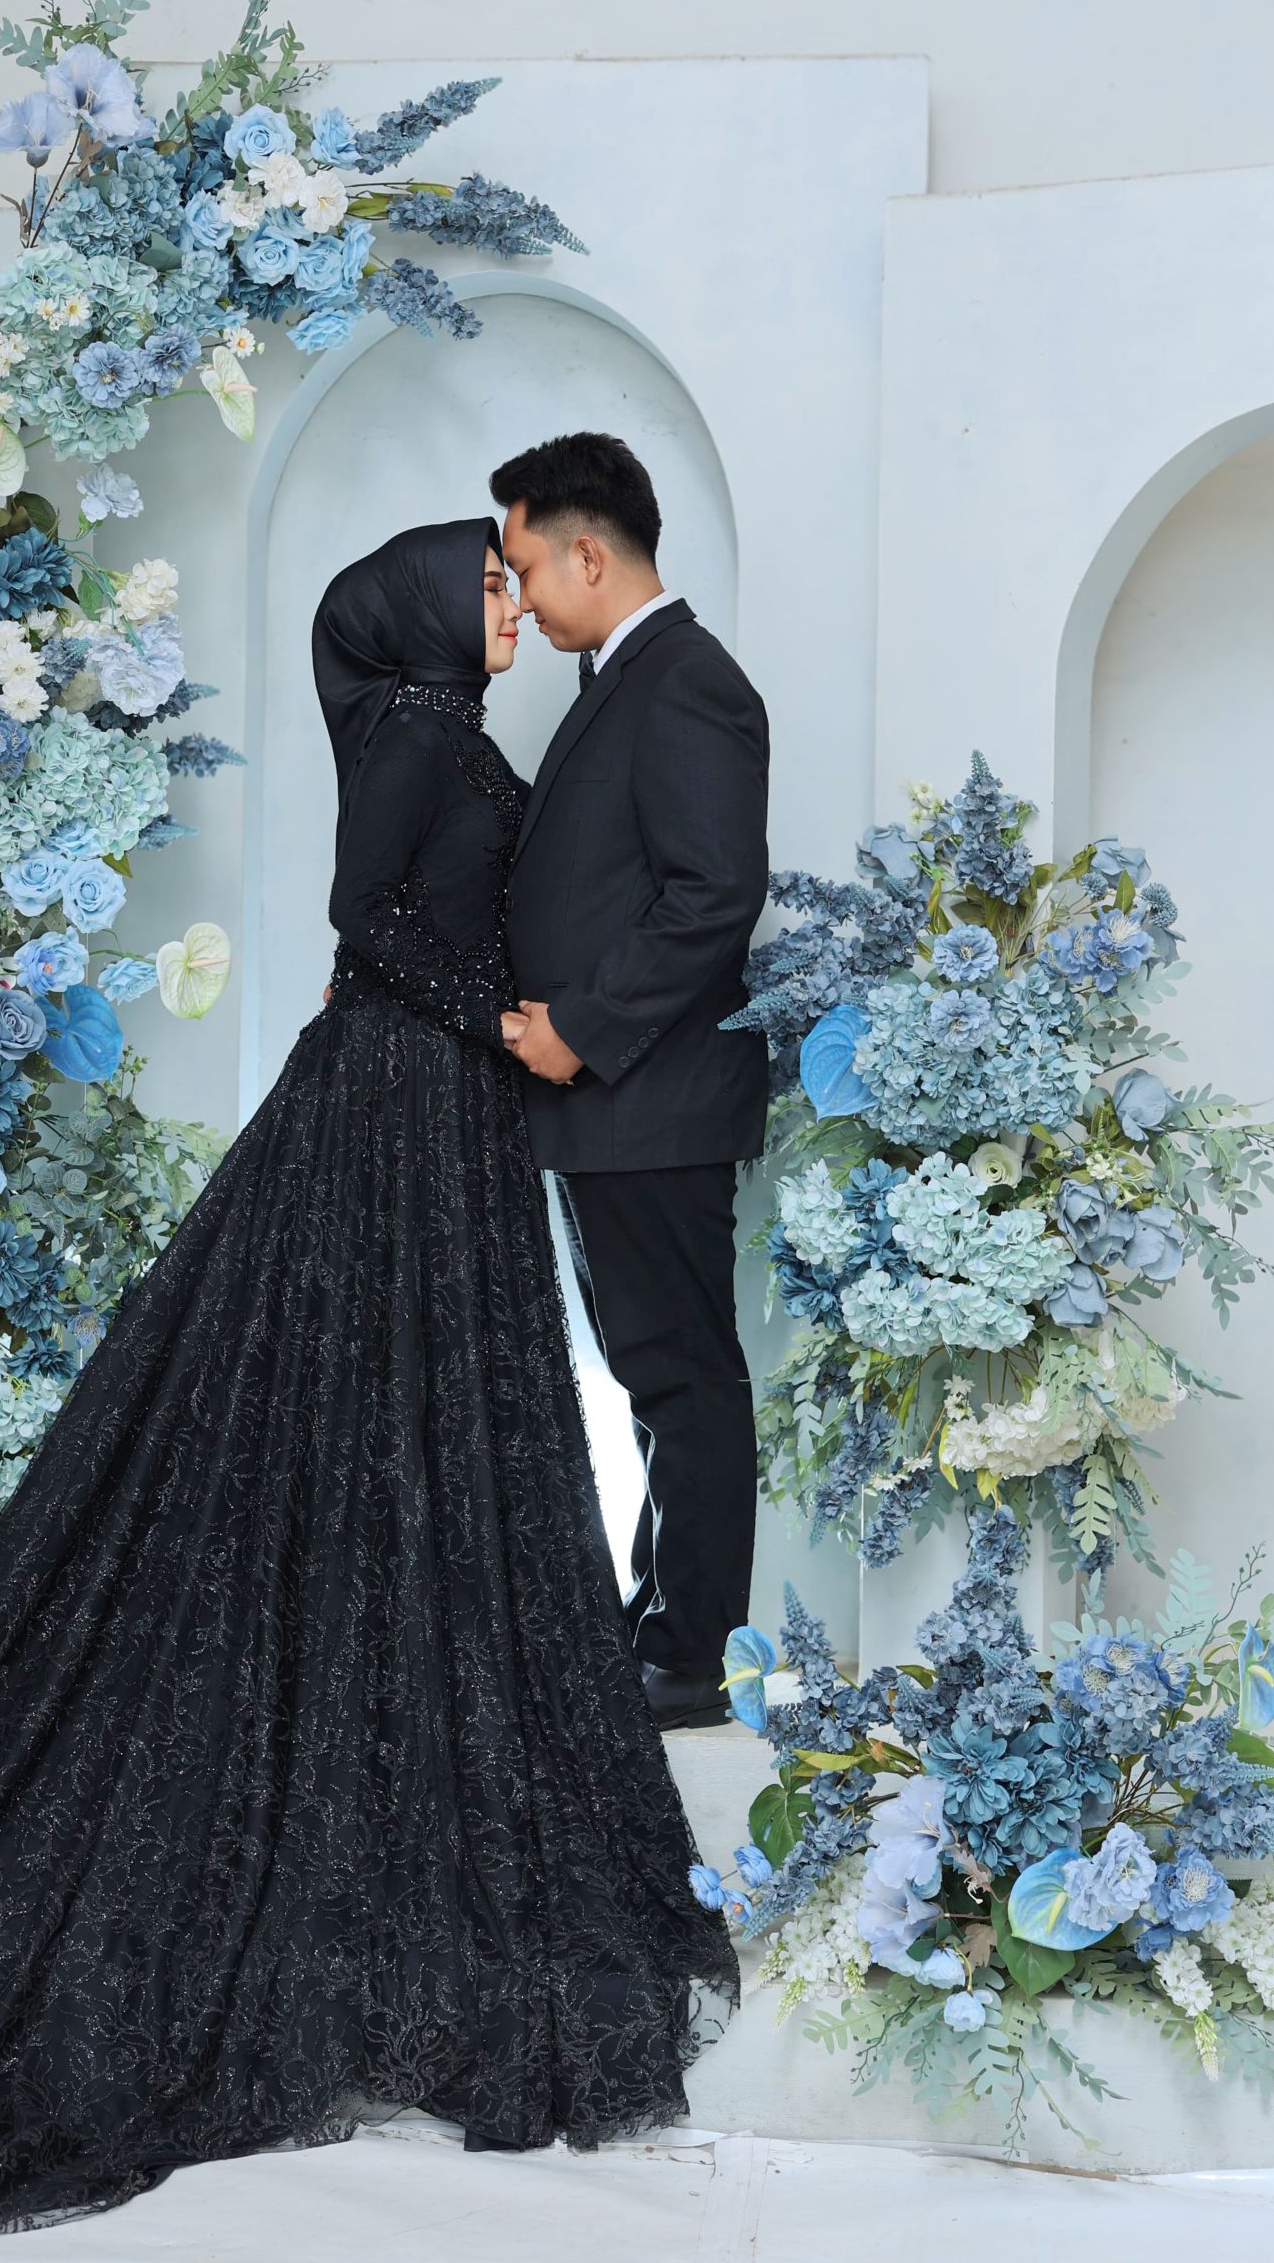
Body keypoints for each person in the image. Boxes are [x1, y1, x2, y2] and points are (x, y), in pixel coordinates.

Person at [0, 517, 737, 2256]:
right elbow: (365, 919)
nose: (507, 606)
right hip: (398, 1100)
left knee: (408, 1415)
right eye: (483, 585)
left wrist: (507, 1027)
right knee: (348, 1403)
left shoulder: (438, 729)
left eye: (512, 580)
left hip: (434, 1106)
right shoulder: (411, 731)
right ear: (418, 608)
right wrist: (496, 1023)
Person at [495, 436, 771, 1735]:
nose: (522, 597)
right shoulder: (628, 677)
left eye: (526, 568)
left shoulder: (685, 682)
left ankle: (694, 1656)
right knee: (652, 1373)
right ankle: (659, 1625)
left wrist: (585, 1030)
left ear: (588, 553)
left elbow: (713, 893)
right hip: (618, 1107)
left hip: (649, 1100)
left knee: (681, 1375)